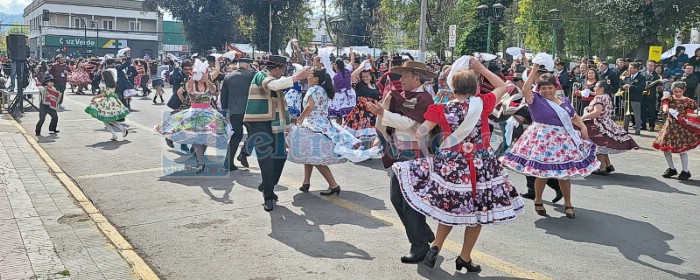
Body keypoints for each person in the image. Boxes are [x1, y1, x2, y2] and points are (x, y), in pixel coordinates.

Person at [392, 58, 524, 272]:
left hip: (452, 165)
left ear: (452, 87)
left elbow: (420, 132)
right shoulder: (483, 103)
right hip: (482, 164)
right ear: (476, 87)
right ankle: (464, 256)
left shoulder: (441, 109)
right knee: (478, 211)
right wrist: (481, 69)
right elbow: (503, 86)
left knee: (453, 207)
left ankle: (436, 246)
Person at [502, 61, 600, 219]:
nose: (547, 90)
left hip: (563, 141)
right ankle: (538, 200)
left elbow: (573, 116)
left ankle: (568, 203)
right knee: (542, 173)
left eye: (550, 87)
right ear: (539, 89)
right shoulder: (535, 100)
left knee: (565, 174)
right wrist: (533, 71)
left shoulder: (565, 102)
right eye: (543, 88)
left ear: (556, 88)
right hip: (543, 141)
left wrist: (583, 127)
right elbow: (526, 89)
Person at [366, 60, 437, 264]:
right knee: (397, 199)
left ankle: (419, 246)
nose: (401, 80)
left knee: (409, 202)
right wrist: (383, 113)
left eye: (405, 76)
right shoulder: (406, 96)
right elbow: (395, 122)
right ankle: (422, 235)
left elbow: (414, 126)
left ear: (416, 77)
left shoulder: (424, 98)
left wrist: (383, 113)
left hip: (415, 154)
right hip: (401, 153)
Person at [290, 68, 377, 194]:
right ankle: (306, 182)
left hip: (313, 126)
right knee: (309, 155)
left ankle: (333, 185)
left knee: (315, 157)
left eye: (310, 76)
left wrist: (299, 119)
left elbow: (310, 107)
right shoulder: (323, 90)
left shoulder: (313, 89)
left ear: (316, 79)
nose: (307, 77)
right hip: (323, 124)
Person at [243, 55, 313, 211]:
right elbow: (274, 85)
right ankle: (268, 196)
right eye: (282, 70)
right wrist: (295, 78)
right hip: (260, 124)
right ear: (276, 68)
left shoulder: (273, 78)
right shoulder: (261, 76)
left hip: (276, 124)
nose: (283, 73)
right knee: (266, 160)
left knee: (280, 156)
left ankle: (268, 185)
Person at [156, 59, 233, 174]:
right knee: (196, 138)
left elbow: (214, 90)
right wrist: (192, 78)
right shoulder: (191, 83)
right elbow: (184, 90)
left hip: (208, 112)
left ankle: (199, 157)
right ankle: (200, 162)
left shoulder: (208, 82)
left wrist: (207, 80)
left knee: (206, 137)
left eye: (205, 73)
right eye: (202, 74)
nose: (204, 75)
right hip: (194, 112)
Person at [582, 80, 639, 175]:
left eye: (596, 87)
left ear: (601, 89)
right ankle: (608, 165)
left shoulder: (599, 98)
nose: (594, 88)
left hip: (599, 124)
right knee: (604, 145)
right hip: (608, 123)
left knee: (598, 145)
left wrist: (583, 117)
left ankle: (602, 168)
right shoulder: (607, 97)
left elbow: (597, 112)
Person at [652, 81, 700, 180]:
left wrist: (697, 115)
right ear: (672, 90)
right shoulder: (669, 98)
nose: (678, 93)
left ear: (684, 90)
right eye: (675, 91)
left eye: (680, 91)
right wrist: (667, 110)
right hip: (669, 127)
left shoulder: (689, 101)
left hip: (682, 129)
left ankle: (685, 170)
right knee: (665, 148)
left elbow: (689, 114)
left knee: (683, 150)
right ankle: (671, 168)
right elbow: (665, 107)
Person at [221, 58, 256, 171]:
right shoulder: (252, 75)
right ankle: (244, 153)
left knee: (236, 135)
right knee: (253, 133)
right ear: (247, 66)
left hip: (233, 111)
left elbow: (224, 97)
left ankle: (228, 163)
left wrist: (225, 112)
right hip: (249, 111)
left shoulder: (228, 77)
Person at [85, 70, 130, 141]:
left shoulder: (103, 84)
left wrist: (95, 97)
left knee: (105, 119)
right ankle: (120, 130)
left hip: (106, 102)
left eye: (102, 75)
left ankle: (114, 133)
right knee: (109, 118)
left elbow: (104, 94)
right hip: (114, 100)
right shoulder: (113, 83)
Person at [621, 63, 647, 135]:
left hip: (636, 98)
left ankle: (637, 129)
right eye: (629, 68)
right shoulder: (627, 77)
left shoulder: (641, 77)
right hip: (627, 98)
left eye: (631, 68)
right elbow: (621, 85)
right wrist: (623, 86)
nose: (629, 69)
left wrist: (631, 86)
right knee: (626, 114)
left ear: (636, 69)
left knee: (637, 114)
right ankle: (625, 128)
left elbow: (641, 88)